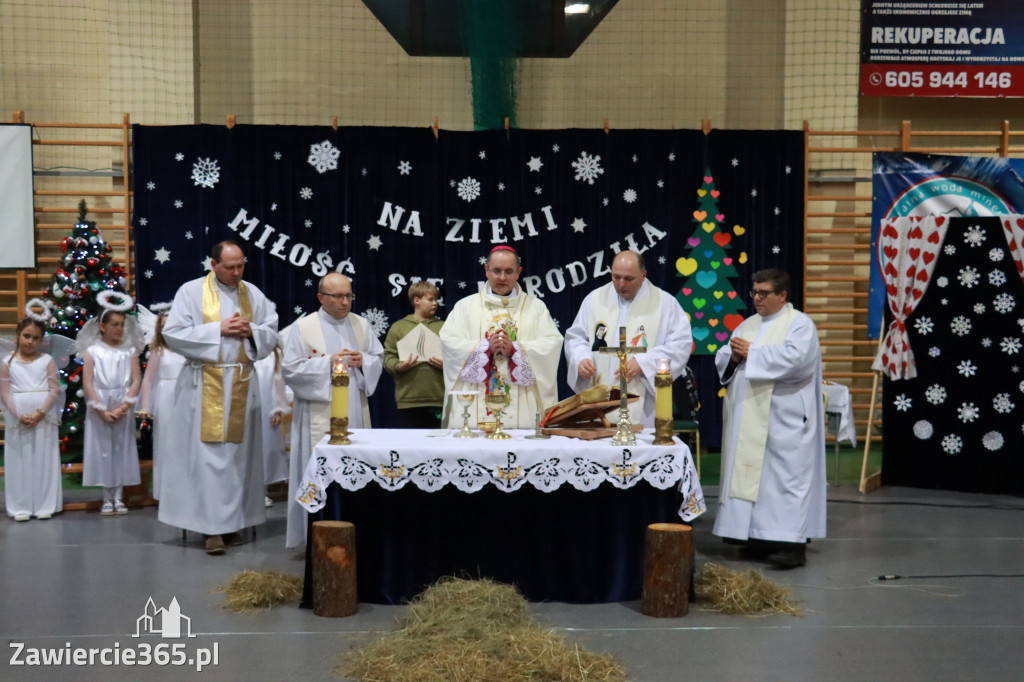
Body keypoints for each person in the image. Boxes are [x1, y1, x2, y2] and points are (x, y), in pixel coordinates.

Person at [160, 241, 279, 555]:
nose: (237, 272)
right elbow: (172, 333)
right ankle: (210, 529)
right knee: (207, 459)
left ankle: (234, 522)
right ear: (213, 265)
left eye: (241, 265)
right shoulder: (190, 291)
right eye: (230, 266)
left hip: (241, 380)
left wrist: (251, 330)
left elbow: (271, 330)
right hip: (204, 385)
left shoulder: (252, 293)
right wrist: (218, 329)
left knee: (239, 459)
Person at [713, 269, 826, 568]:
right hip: (749, 412)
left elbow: (798, 362)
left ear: (783, 295)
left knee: (785, 480)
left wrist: (754, 352)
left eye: (764, 294)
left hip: (784, 418)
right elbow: (725, 358)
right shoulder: (747, 325)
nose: (757, 299)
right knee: (753, 479)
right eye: (754, 293)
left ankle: (791, 544)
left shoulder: (800, 325)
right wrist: (735, 357)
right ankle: (755, 538)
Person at [281, 272, 383, 548]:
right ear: (321, 298)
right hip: (319, 408)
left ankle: (354, 530)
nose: (345, 302)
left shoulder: (361, 324)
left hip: (354, 407)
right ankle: (317, 535)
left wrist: (364, 360)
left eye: (349, 295)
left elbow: (377, 357)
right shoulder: (302, 328)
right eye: (338, 296)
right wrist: (327, 362)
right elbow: (290, 369)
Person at [564, 250, 693, 427]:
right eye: (615, 277)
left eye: (628, 279)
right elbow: (576, 337)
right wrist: (581, 358)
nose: (621, 284)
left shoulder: (665, 303)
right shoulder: (594, 299)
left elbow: (681, 344)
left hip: (643, 404)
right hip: (598, 401)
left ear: (643, 275)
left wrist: (645, 362)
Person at [440, 245, 563, 429]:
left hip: (524, 412)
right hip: (474, 413)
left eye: (508, 271)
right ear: (486, 270)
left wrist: (515, 349)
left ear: (518, 272)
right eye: (496, 271)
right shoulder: (465, 307)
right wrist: (483, 348)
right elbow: (449, 343)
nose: (502, 277)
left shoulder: (536, 308)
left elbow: (551, 345)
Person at [78, 301, 143, 516]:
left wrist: (124, 406)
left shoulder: (130, 351)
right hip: (100, 404)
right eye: (114, 324)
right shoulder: (93, 352)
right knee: (103, 449)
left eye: (122, 324)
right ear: (102, 326)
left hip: (122, 403)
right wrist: (101, 409)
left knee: (121, 448)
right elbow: (88, 382)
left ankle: (119, 496)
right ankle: (107, 496)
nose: (119, 328)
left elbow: (136, 380)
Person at [0, 318, 64, 521]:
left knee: (44, 458)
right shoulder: (7, 362)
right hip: (17, 417)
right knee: (19, 458)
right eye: (26, 336)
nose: (30, 341)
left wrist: (40, 413)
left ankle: (45, 503)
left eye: (35, 338)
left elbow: (54, 390)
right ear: (18, 334)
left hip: (43, 416)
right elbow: (5, 393)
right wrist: (19, 414)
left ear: (41, 340)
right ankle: (21, 506)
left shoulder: (47, 360)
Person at [137, 310, 186, 501]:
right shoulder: (159, 351)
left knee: (185, 443)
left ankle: (185, 489)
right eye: (163, 327)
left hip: (185, 397)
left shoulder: (188, 350)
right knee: (166, 443)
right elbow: (148, 381)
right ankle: (167, 492)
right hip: (166, 399)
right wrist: (146, 406)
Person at [383, 280, 445, 428]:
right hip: (408, 400)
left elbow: (455, 358)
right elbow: (388, 357)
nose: (435, 303)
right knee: (410, 445)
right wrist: (399, 366)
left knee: (439, 445)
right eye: (430, 299)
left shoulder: (444, 327)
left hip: (439, 399)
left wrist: (446, 365)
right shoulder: (399, 327)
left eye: (436, 299)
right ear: (417, 300)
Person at [254, 344, 291, 506]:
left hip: (267, 408)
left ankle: (262, 490)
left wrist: (278, 409)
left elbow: (279, 382)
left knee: (265, 450)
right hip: (244, 404)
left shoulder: (273, 353)